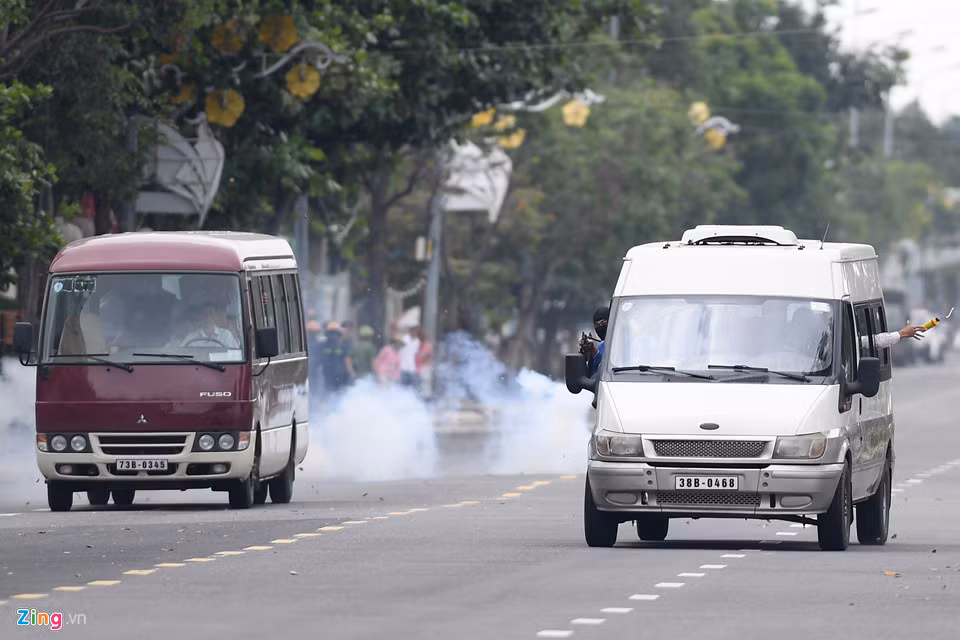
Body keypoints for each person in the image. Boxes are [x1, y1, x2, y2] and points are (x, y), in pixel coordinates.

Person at [171, 301, 240, 349]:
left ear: (216, 316)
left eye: (211, 313)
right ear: (200, 317)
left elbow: (235, 355)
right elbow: (182, 354)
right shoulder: (192, 337)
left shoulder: (226, 335)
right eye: (205, 314)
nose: (208, 317)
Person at [319, 322, 354, 392]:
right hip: (331, 374)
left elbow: (347, 359)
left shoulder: (343, 345)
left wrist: (350, 372)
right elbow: (347, 360)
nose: (333, 336)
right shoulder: (322, 345)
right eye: (331, 333)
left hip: (337, 374)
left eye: (334, 333)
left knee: (335, 392)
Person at [579, 306, 608, 377]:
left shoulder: (624, 344)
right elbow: (591, 374)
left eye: (603, 323)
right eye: (597, 325)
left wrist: (595, 352)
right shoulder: (601, 346)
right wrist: (586, 355)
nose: (600, 328)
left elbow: (608, 370)